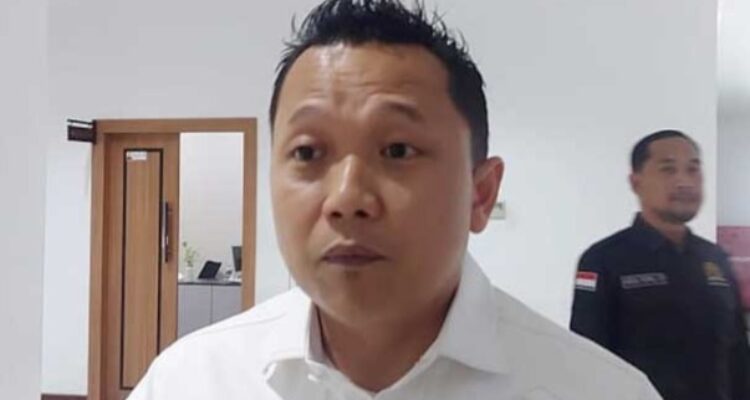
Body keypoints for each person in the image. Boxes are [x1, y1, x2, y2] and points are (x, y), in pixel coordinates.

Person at [130, 1, 662, 398]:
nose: (346, 198)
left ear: (481, 194)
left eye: (398, 150)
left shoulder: (598, 390)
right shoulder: (190, 382)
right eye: (308, 151)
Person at [570, 130, 750, 400]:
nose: (684, 181)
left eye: (693, 169)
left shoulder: (715, 259)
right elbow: (588, 360)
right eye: (668, 169)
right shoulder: (603, 260)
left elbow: (738, 357)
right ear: (636, 182)